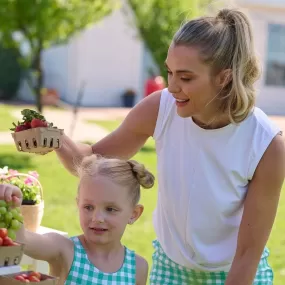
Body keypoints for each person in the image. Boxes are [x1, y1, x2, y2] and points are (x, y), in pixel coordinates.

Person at [53, 8, 285, 285]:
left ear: (224, 78)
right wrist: (52, 137)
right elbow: (89, 162)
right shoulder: (160, 108)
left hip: (239, 272)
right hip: (171, 270)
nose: (172, 86)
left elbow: (248, 253)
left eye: (186, 78)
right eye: (170, 72)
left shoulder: (267, 145)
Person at [0, 155, 155, 285]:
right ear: (78, 204)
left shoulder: (138, 267)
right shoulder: (65, 250)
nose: (97, 218)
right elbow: (22, 239)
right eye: (88, 207)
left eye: (110, 209)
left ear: (133, 214)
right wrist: (11, 205)